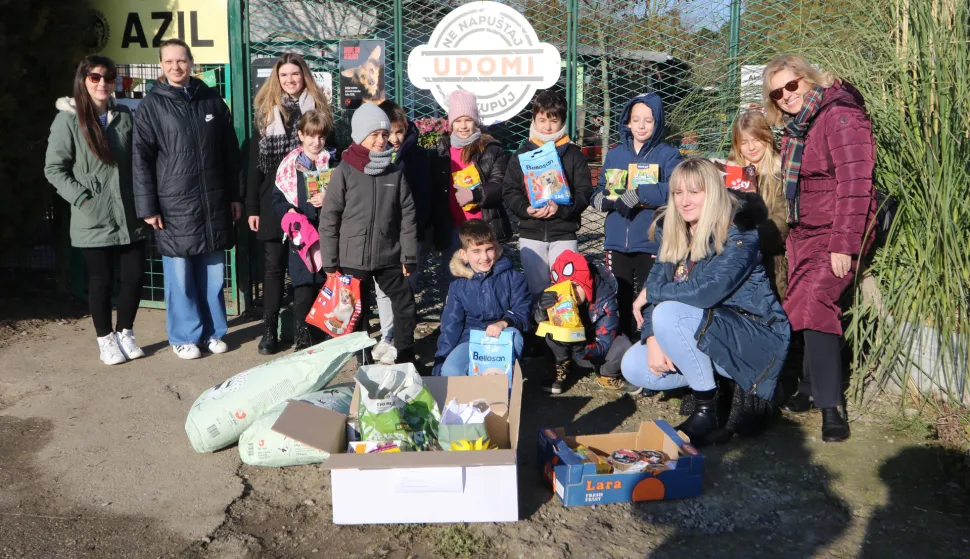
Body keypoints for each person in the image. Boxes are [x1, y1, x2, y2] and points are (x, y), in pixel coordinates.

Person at [620, 158, 790, 445]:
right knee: (634, 366)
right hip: (706, 329)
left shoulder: (739, 230)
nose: (684, 201)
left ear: (712, 192)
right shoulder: (673, 230)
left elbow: (706, 293)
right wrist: (652, 338)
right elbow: (657, 283)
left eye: (694, 192)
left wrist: (652, 295)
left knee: (668, 314)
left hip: (754, 335)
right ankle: (713, 386)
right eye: (678, 193)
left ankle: (705, 410)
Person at [762, 54, 876, 442]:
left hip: (837, 228)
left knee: (815, 303)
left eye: (791, 85)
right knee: (801, 303)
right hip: (806, 229)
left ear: (808, 80)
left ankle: (832, 405)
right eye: (777, 93)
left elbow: (856, 184)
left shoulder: (840, 115)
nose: (786, 96)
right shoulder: (802, 123)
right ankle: (810, 388)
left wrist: (844, 243)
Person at [133, 38, 242, 360]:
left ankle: (214, 332)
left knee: (212, 275)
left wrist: (236, 195)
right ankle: (184, 336)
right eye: (168, 62)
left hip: (213, 202)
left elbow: (230, 153)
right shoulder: (151, 106)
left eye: (181, 61)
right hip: (173, 206)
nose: (176, 67)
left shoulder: (212, 100)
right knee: (179, 277)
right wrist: (148, 206)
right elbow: (141, 159)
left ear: (192, 62)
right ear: (161, 65)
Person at [45, 55, 149, 365]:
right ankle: (105, 340)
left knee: (134, 276)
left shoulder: (124, 117)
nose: (102, 83)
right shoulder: (68, 119)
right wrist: (83, 199)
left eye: (108, 77)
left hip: (129, 214)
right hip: (94, 215)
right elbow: (54, 169)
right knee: (101, 280)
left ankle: (126, 333)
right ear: (83, 81)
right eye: (95, 77)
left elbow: (138, 164)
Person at [318, 103, 419, 364]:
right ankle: (363, 360)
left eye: (384, 135)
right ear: (360, 135)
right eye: (374, 134)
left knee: (405, 302)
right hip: (352, 258)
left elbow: (407, 215)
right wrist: (330, 261)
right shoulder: (345, 171)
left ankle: (406, 355)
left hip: (389, 255)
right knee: (356, 310)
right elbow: (330, 218)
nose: (381, 140)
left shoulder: (395, 173)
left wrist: (408, 256)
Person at [246, 53, 332, 355]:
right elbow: (255, 165)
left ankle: (306, 330)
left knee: (307, 267)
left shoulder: (319, 109)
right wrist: (252, 208)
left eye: (295, 74)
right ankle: (269, 330)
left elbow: (330, 155)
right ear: (277, 78)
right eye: (284, 75)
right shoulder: (267, 113)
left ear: (304, 75)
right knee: (273, 267)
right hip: (275, 198)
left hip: (309, 202)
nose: (290, 80)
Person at [589, 93, 682, 339]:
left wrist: (640, 194)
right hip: (616, 241)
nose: (641, 125)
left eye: (648, 120)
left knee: (649, 295)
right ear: (627, 122)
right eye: (636, 119)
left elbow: (674, 189)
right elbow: (601, 188)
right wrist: (599, 200)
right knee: (618, 295)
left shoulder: (668, 155)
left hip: (651, 241)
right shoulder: (615, 154)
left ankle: (649, 343)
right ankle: (618, 347)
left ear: (658, 122)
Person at [504, 90, 594, 301]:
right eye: (542, 120)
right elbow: (509, 190)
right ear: (534, 119)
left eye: (554, 121)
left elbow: (584, 192)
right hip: (531, 233)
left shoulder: (573, 154)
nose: (547, 126)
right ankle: (537, 332)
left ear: (562, 121)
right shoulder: (522, 154)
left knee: (564, 290)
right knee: (536, 291)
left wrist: (562, 209)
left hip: (564, 233)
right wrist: (525, 208)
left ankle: (561, 333)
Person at [370, 100, 432, 365]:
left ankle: (403, 340)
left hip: (409, 235)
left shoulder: (417, 157)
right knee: (382, 290)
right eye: (388, 133)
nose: (394, 139)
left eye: (399, 132)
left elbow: (423, 196)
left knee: (405, 290)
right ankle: (387, 335)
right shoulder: (372, 158)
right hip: (381, 237)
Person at [432, 219, 530, 376]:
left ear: (496, 248)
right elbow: (451, 325)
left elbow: (522, 311)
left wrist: (503, 322)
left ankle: (505, 393)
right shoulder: (458, 286)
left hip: (502, 335)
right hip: (470, 339)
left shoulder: (513, 277)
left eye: (489, 249)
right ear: (464, 254)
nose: (484, 257)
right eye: (476, 252)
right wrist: (441, 359)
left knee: (514, 336)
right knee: (449, 371)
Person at [535, 250, 639, 395]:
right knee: (550, 332)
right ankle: (558, 367)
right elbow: (539, 324)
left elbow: (605, 342)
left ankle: (607, 374)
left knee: (623, 345)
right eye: (567, 288)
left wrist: (580, 346)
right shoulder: (558, 296)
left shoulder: (605, 299)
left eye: (575, 286)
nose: (572, 293)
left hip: (591, 347)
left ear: (587, 281)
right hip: (568, 346)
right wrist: (541, 308)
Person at [431, 90, 511, 268]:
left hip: (483, 227)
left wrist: (475, 195)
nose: (463, 126)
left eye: (468, 120)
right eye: (458, 121)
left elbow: (500, 185)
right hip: (453, 228)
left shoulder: (491, 149)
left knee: (485, 276)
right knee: (454, 277)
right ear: (451, 123)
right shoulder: (443, 151)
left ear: (475, 120)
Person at [272, 111, 331, 350]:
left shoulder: (332, 163)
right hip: (301, 237)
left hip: (327, 233)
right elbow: (277, 198)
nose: (316, 142)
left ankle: (325, 333)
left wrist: (329, 197)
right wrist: (289, 211)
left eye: (321, 137)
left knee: (326, 286)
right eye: (311, 136)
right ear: (300, 135)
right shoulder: (289, 167)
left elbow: (345, 194)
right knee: (303, 287)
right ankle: (302, 337)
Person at [727, 110, 789, 300]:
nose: (751, 147)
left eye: (756, 140)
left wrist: (751, 239)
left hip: (769, 259)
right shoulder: (730, 175)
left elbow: (781, 219)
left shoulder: (779, 173)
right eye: (744, 142)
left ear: (767, 138)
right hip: (732, 259)